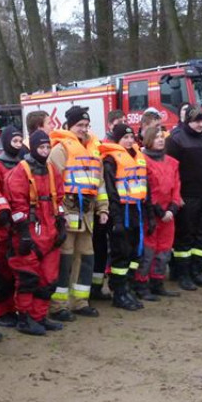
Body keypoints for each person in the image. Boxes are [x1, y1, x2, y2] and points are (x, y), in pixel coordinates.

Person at [48, 106, 107, 320]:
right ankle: (58, 306)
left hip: (88, 215)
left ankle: (80, 302)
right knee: (64, 261)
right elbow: (53, 185)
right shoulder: (59, 150)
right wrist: (59, 212)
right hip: (68, 214)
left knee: (86, 258)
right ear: (68, 126)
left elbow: (99, 184)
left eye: (86, 125)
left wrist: (103, 209)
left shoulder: (94, 150)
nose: (83, 129)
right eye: (79, 125)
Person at [5, 130, 67, 335]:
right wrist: (23, 233)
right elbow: (16, 204)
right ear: (32, 147)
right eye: (41, 147)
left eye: (47, 147)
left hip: (49, 232)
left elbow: (59, 198)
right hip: (30, 233)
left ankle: (38, 316)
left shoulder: (51, 170)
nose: (45, 151)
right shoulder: (20, 171)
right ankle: (24, 318)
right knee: (27, 279)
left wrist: (61, 225)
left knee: (49, 279)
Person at [166, 106, 202, 290]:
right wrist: (176, 196)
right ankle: (183, 274)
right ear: (187, 121)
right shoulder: (176, 139)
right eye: (196, 121)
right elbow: (170, 172)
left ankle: (197, 271)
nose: (200, 125)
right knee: (185, 236)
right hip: (187, 196)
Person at [100, 124, 147, 309]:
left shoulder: (137, 157)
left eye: (131, 138)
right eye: (125, 138)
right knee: (121, 253)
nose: (129, 141)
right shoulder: (111, 160)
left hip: (136, 211)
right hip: (120, 213)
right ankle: (119, 293)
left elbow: (144, 188)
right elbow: (111, 192)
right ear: (117, 140)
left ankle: (127, 288)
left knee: (135, 253)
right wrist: (117, 220)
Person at [137, 125, 182, 297]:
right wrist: (159, 211)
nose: (161, 139)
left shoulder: (172, 162)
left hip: (168, 214)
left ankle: (157, 282)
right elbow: (147, 189)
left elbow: (176, 187)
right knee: (148, 250)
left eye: (162, 136)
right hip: (152, 214)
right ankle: (141, 284)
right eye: (156, 137)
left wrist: (173, 208)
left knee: (164, 250)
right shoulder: (143, 161)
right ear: (148, 140)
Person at [0, 126, 24, 328]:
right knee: (2, 272)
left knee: (16, 271)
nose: (18, 145)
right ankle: (1, 310)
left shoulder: (22, 165)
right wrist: (3, 211)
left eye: (20, 141)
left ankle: (13, 308)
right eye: (15, 141)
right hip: (4, 225)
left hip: (19, 224)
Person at [90, 109, 125, 300]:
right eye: (118, 121)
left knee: (107, 249)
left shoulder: (127, 149)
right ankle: (92, 288)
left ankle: (100, 287)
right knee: (98, 248)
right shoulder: (103, 149)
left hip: (111, 207)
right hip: (100, 208)